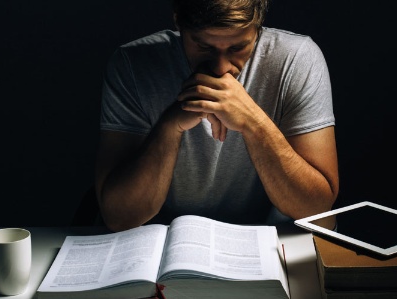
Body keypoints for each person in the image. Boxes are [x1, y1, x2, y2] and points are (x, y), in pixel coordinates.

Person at [95, 0, 339, 232]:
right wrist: (170, 126)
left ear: (258, 27)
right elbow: (119, 217)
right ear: (178, 22)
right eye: (204, 46)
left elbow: (316, 209)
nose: (221, 68)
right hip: (162, 247)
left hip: (271, 244)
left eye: (237, 47)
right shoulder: (131, 64)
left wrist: (253, 122)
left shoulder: (296, 60)